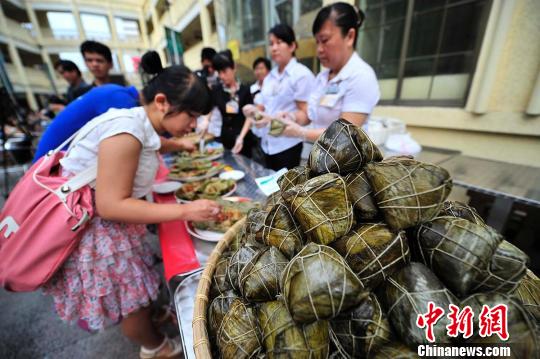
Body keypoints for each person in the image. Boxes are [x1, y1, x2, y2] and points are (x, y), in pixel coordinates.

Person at [42, 51, 221, 358]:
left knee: (137, 290)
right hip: (97, 234)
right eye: (190, 115)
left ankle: (153, 322)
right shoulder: (126, 130)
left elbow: (152, 142)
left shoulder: (139, 122)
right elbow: (111, 205)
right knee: (131, 302)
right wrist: (186, 210)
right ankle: (155, 347)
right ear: (162, 102)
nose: (193, 125)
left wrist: (177, 143)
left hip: (110, 229)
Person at [274, 2, 380, 143]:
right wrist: (292, 117)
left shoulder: (361, 76)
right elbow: (310, 115)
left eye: (324, 40)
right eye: (317, 42)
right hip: (321, 158)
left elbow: (344, 134)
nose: (319, 49)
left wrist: (301, 133)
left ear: (350, 36)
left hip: (346, 162)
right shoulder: (322, 77)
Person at [33, 84, 196, 162]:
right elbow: (148, 140)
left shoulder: (117, 93)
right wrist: (181, 145)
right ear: (159, 102)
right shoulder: (122, 103)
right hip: (52, 171)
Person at [247, 24, 315, 171]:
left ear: (292, 46)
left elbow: (307, 114)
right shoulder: (270, 77)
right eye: (271, 44)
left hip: (287, 144)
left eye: (279, 42)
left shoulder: (301, 74)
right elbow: (264, 105)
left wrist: (290, 116)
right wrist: (254, 112)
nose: (274, 48)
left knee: (287, 189)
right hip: (267, 143)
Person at [202, 50, 256, 158]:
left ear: (234, 68)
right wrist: (205, 121)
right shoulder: (217, 90)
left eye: (224, 71)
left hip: (243, 139)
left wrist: (241, 138)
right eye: (219, 72)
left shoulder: (244, 90)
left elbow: (249, 117)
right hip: (226, 139)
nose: (221, 76)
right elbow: (210, 108)